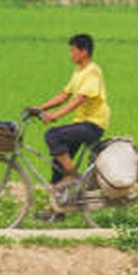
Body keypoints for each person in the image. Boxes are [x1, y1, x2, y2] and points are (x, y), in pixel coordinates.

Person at [29, 33, 109, 218]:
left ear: (84, 51)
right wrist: (39, 108)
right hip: (82, 123)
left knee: (53, 135)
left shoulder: (92, 72)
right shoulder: (79, 72)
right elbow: (64, 95)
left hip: (93, 124)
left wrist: (55, 116)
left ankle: (74, 176)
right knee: (58, 164)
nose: (70, 54)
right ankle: (56, 212)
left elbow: (79, 99)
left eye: (73, 50)